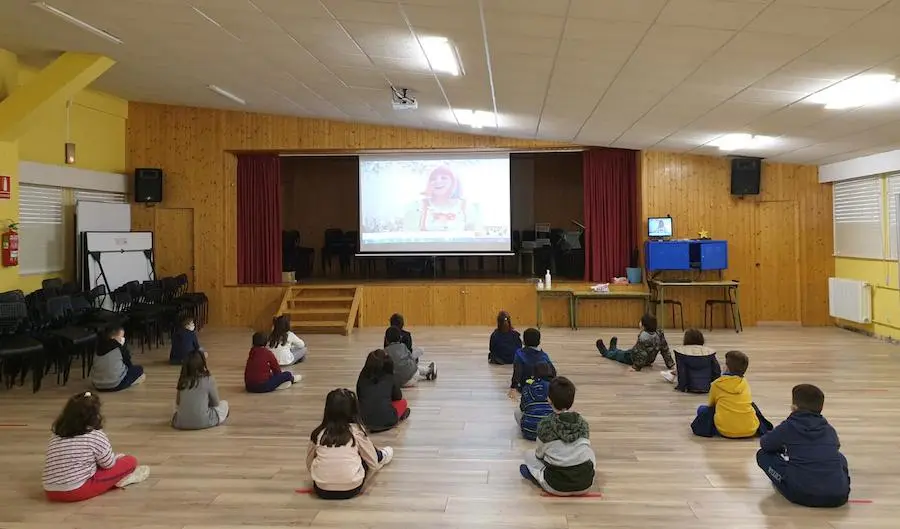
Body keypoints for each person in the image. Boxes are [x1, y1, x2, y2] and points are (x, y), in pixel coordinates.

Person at [42, 391, 150, 502]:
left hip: (50, 491)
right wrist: (117, 458)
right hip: (75, 490)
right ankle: (118, 479)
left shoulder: (57, 433)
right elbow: (108, 464)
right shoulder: (95, 435)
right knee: (130, 461)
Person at [756, 384, 850, 508]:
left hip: (801, 493)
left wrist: (783, 448)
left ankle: (785, 481)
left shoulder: (788, 427)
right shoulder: (829, 430)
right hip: (839, 496)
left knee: (763, 455)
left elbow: (765, 443)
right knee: (839, 457)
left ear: (794, 407)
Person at [306, 388, 394, 500]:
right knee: (365, 456)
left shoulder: (318, 433)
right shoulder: (356, 431)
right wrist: (363, 481)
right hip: (351, 489)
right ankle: (382, 455)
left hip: (322, 490)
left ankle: (379, 455)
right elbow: (373, 464)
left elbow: (309, 462)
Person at [519, 377, 595, 496]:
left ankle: (537, 477)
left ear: (549, 400)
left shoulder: (545, 425)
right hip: (585, 484)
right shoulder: (583, 423)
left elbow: (539, 455)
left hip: (556, 486)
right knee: (589, 452)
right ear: (572, 400)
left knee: (528, 455)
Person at [691, 351, 772, 438]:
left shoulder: (716, 384)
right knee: (751, 405)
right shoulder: (744, 383)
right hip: (750, 429)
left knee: (702, 409)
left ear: (727, 367)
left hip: (725, 430)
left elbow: (711, 405)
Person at [401, 166, 483, 233]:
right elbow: (409, 237)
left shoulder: (467, 207)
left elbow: (475, 237)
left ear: (454, 182)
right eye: (433, 179)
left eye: (444, 178)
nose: (438, 181)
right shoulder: (416, 207)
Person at [171, 349, 229, 430]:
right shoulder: (208, 379)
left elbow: (178, 402)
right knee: (224, 404)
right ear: (202, 363)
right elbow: (216, 403)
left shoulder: (183, 380)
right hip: (204, 421)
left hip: (180, 423)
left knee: (175, 408)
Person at [596, 314, 674, 372]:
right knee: (621, 352)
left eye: (641, 321)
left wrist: (636, 367)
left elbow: (641, 353)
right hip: (649, 360)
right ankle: (613, 348)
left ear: (644, 325)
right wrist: (670, 364)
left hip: (632, 358)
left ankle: (605, 353)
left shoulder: (643, 337)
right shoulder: (659, 334)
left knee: (618, 355)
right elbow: (665, 350)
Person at [356, 349, 410, 432]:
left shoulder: (362, 376)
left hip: (365, 421)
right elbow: (398, 396)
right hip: (388, 420)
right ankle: (396, 417)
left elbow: (359, 395)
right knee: (403, 402)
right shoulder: (390, 377)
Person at [661, 328, 721, 393]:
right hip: (708, 387)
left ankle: (672, 373)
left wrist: (681, 387)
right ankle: (672, 373)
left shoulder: (680, 352)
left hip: (689, 388)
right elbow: (716, 370)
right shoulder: (709, 352)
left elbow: (682, 371)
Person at [91, 325, 145, 392]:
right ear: (113, 337)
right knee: (139, 369)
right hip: (115, 384)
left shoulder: (98, 346)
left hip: (97, 384)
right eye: (121, 337)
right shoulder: (119, 347)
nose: (123, 339)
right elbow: (129, 364)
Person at [508, 328, 556, 396]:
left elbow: (517, 372)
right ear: (539, 342)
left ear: (523, 342)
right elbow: (553, 372)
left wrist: (513, 387)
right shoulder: (544, 355)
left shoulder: (519, 354)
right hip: (545, 386)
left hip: (526, 386)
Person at [516, 362, 554, 441]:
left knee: (517, 412)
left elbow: (522, 408)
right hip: (551, 433)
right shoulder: (555, 386)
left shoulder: (528, 387)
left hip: (529, 432)